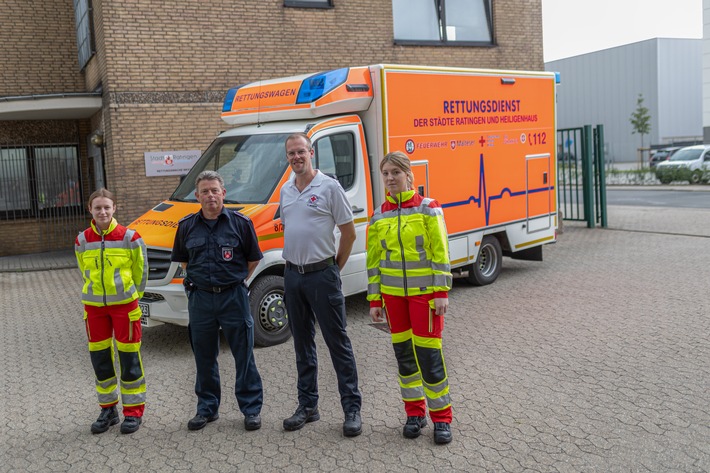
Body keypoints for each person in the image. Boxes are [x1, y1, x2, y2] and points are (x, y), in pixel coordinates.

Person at [366, 151, 454, 444]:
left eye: (395, 172)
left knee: (429, 358)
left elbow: (440, 252)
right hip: (393, 299)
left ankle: (441, 418)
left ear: (408, 175)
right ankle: (414, 414)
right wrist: (375, 300)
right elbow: (374, 261)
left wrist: (441, 291)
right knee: (405, 358)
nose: (390, 179)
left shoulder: (429, 208)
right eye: (386, 173)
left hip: (425, 298)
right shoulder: (379, 214)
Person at [279, 132, 362, 437]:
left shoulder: (329, 187)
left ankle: (352, 409)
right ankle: (308, 406)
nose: (296, 157)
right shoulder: (286, 191)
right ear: (287, 157)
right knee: (302, 344)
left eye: (301, 151)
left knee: (337, 343)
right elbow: (293, 229)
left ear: (311, 153)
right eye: (291, 154)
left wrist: (333, 269)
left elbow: (349, 233)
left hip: (321, 275)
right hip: (293, 275)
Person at [171, 170, 264, 432]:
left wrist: (232, 281)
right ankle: (207, 408)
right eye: (204, 191)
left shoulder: (241, 223)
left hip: (233, 297)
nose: (210, 195)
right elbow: (184, 261)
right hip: (200, 298)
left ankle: (251, 409)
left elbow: (253, 259)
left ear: (223, 193)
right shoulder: (187, 225)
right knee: (204, 357)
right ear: (197, 196)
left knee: (243, 354)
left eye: (214, 190)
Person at [75, 188, 148, 435]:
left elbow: (141, 272)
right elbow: (83, 271)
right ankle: (108, 409)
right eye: (98, 208)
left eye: (107, 207)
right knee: (101, 361)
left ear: (114, 208)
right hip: (94, 310)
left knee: (129, 360)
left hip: (125, 308)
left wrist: (132, 296)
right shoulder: (82, 240)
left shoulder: (131, 237)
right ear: (90, 210)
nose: (103, 211)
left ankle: (133, 412)